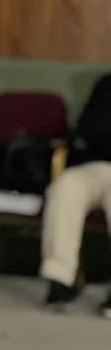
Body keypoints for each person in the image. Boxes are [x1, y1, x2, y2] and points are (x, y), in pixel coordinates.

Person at [41, 72, 111, 316]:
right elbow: (86, 131)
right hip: (95, 165)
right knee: (65, 186)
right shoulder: (106, 84)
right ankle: (61, 278)